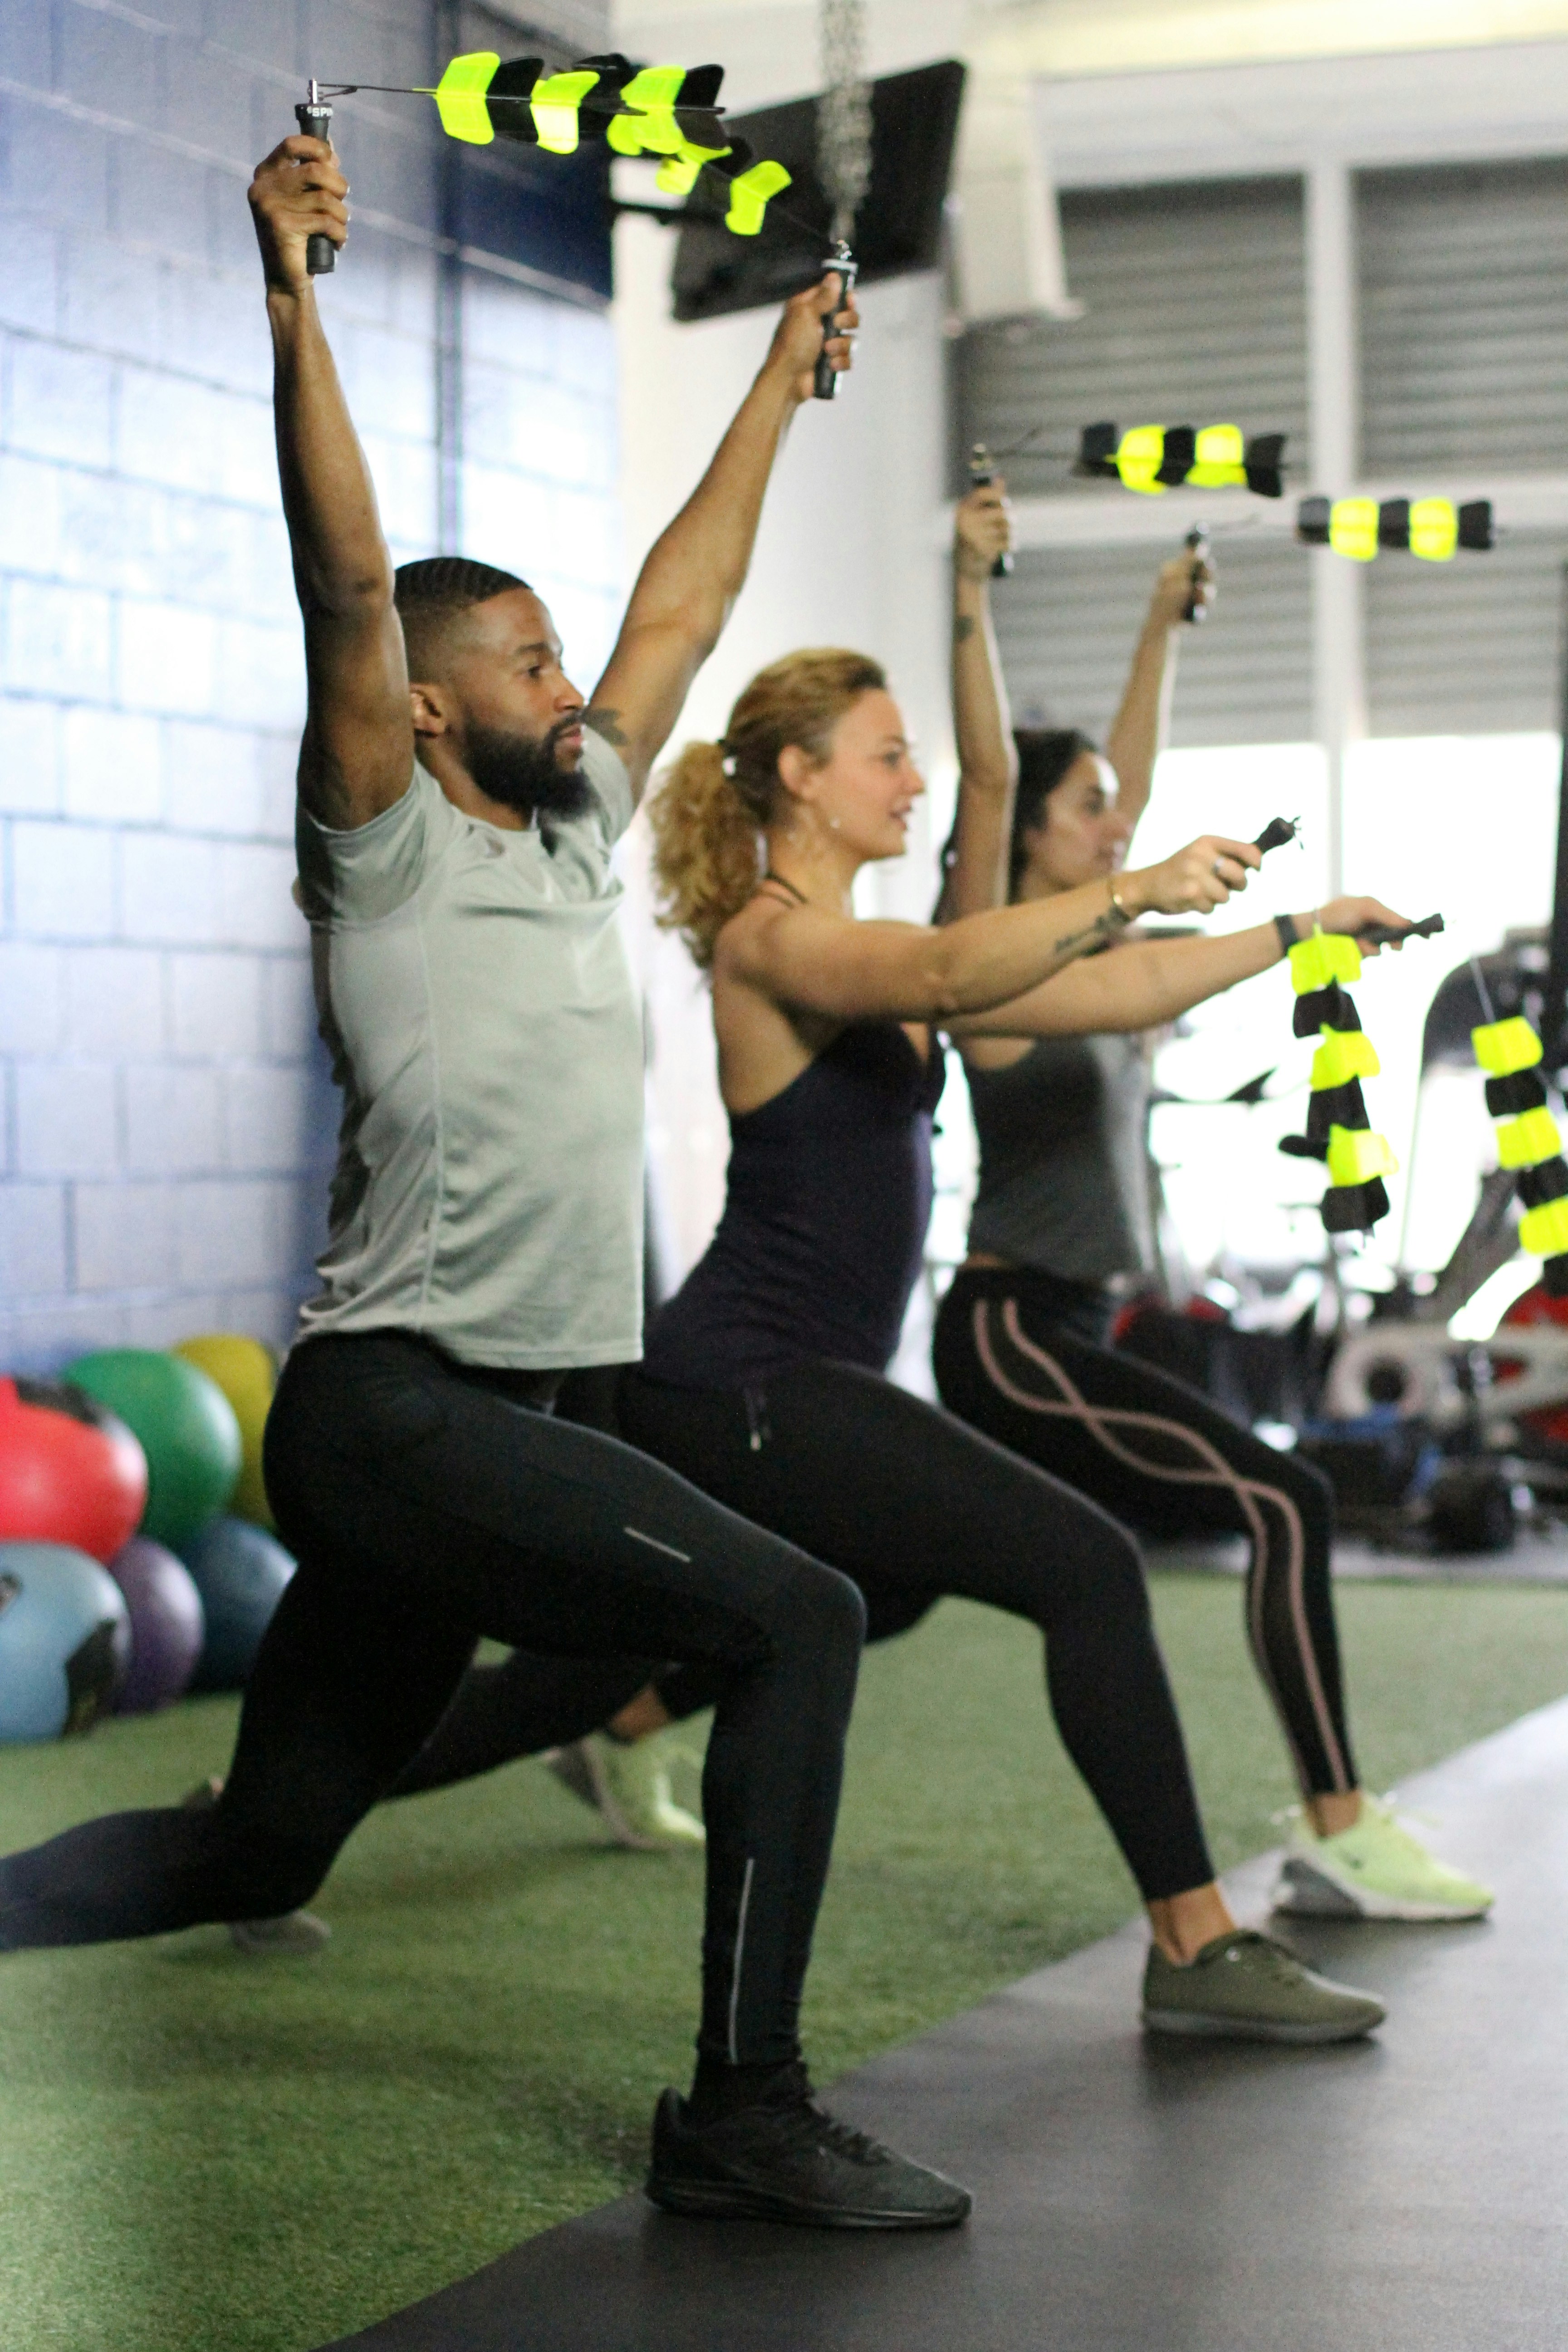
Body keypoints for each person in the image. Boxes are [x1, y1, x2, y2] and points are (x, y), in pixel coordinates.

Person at [0, 129, 982, 2233]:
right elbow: (344, 583)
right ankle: (741, 2108)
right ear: (430, 714)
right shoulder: (387, 841)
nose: (577, 686)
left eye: (564, 661)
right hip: (403, 1402)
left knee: (264, 1847)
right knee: (797, 1619)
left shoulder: (572, 828)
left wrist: (773, 383)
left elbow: (684, 605)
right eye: (528, 667)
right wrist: (292, 296)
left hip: (503, 1421)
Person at [608, 492, 1391, 2045]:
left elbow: (1112, 983)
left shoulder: (886, 942)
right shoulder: (776, 937)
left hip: (807, 1377)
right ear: (800, 781)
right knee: (1088, 1567)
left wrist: (1295, 930)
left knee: (873, 1598)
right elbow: (972, 958)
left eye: (911, 754)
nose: (917, 781)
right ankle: (1193, 1943)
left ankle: (535, 1732)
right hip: (739, 1377)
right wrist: (1131, 879)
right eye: (881, 756)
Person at [930, 538, 1493, 1925]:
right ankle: (1339, 1827)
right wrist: (966, 599)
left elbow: (1130, 797)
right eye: (1089, 813)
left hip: (1072, 1325)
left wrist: (1158, 628)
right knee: (1282, 1497)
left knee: (872, 1592)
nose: (1117, 829)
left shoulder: (1100, 941)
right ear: (1028, 836)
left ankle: (626, 1714)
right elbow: (1004, 779)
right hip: (1006, 1331)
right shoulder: (996, 960)